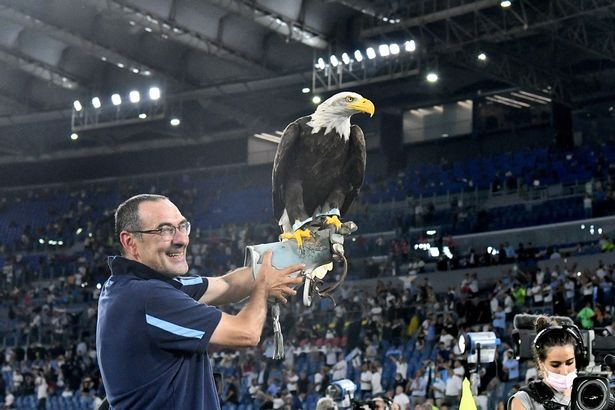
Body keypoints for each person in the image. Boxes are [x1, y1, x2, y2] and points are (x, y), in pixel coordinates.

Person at [96, 194, 304, 409]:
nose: (181, 239)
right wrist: (264, 288)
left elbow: (227, 285)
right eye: (165, 230)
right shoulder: (149, 297)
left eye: (182, 226)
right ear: (130, 242)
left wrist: (296, 254)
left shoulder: (131, 286)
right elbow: (246, 332)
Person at [508, 316, 579, 410]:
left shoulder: (590, 394)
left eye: (570, 362)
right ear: (541, 364)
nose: (564, 371)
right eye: (555, 365)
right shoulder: (524, 400)